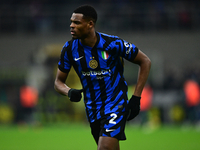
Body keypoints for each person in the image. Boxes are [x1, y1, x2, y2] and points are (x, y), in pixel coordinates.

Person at [54, 5, 151, 150]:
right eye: (71, 22)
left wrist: (136, 98)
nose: (71, 26)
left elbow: (145, 61)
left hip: (115, 104)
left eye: (77, 22)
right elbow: (58, 82)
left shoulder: (112, 44)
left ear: (90, 24)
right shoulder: (69, 49)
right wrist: (68, 91)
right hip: (93, 109)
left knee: (104, 147)